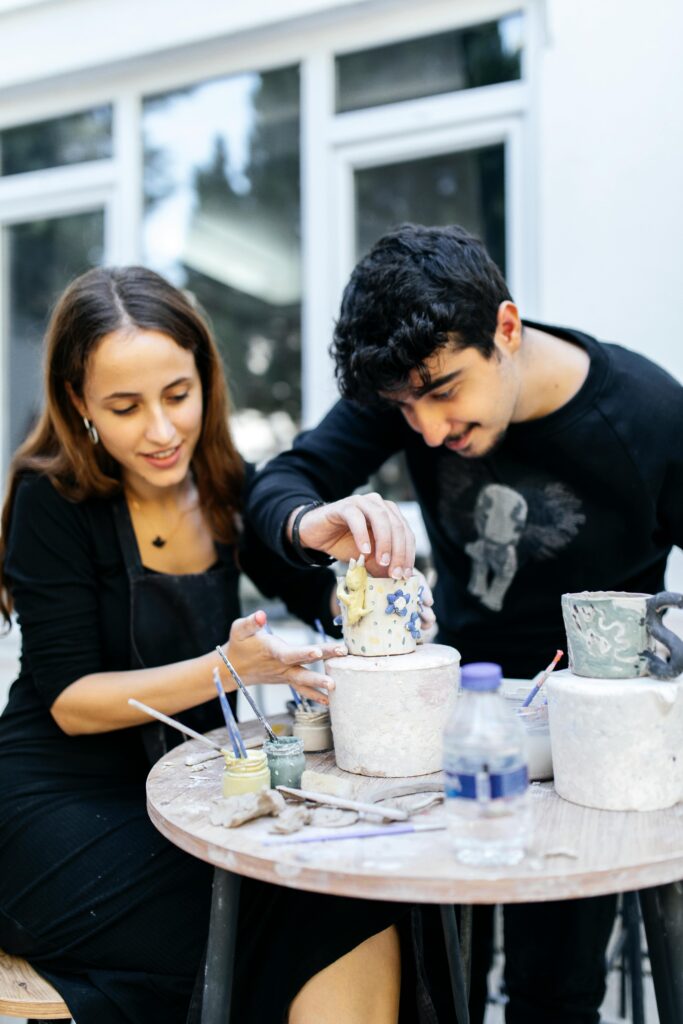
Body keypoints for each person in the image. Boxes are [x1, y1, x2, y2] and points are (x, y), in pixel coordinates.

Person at [247, 223, 683, 1024]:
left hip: (588, 747)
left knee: (554, 993)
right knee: (436, 979)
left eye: (443, 393)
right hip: (452, 723)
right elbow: (283, 484)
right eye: (402, 409)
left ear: (506, 330)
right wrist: (311, 521)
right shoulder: (413, 382)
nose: (426, 431)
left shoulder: (648, 416)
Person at [0, 266, 411, 1024]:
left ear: (206, 381)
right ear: (77, 404)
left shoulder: (225, 487)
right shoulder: (50, 499)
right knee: (312, 912)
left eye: (177, 396)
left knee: (354, 890)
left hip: (183, 801)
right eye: (124, 407)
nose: (160, 431)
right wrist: (226, 667)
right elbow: (68, 704)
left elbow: (312, 586)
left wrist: (364, 576)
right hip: (49, 812)